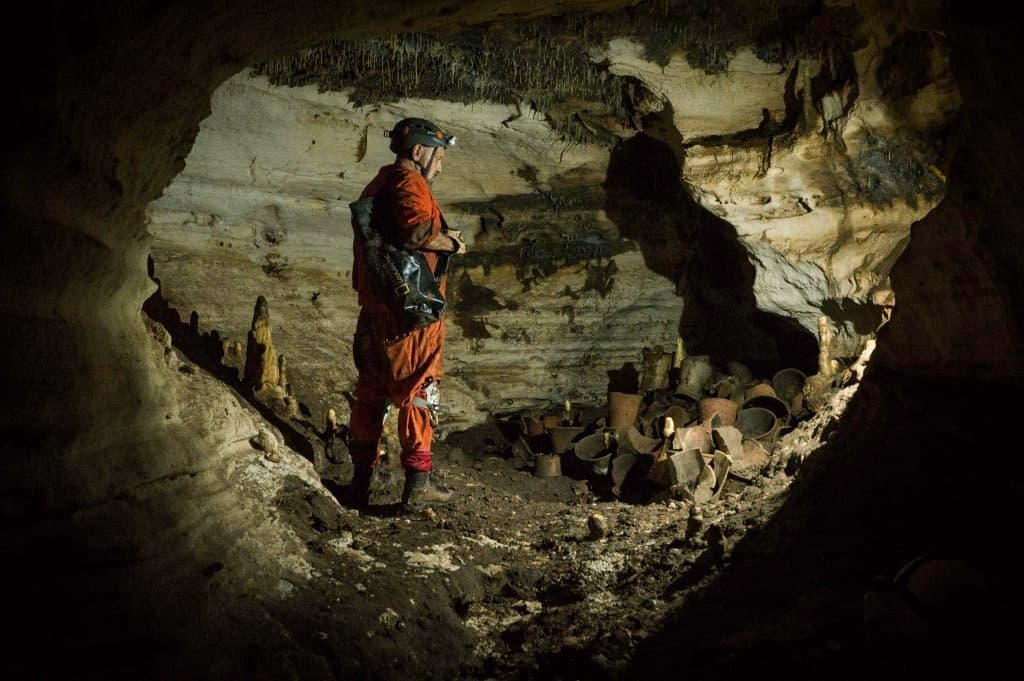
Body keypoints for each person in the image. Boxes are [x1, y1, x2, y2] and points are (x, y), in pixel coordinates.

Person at [347, 117, 465, 511]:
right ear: (418, 151)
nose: (440, 166)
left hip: (376, 311)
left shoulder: (378, 183)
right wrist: (451, 243)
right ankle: (417, 485)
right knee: (419, 390)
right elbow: (416, 232)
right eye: (438, 157)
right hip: (410, 317)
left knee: (371, 392)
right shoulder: (408, 182)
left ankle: (361, 481)